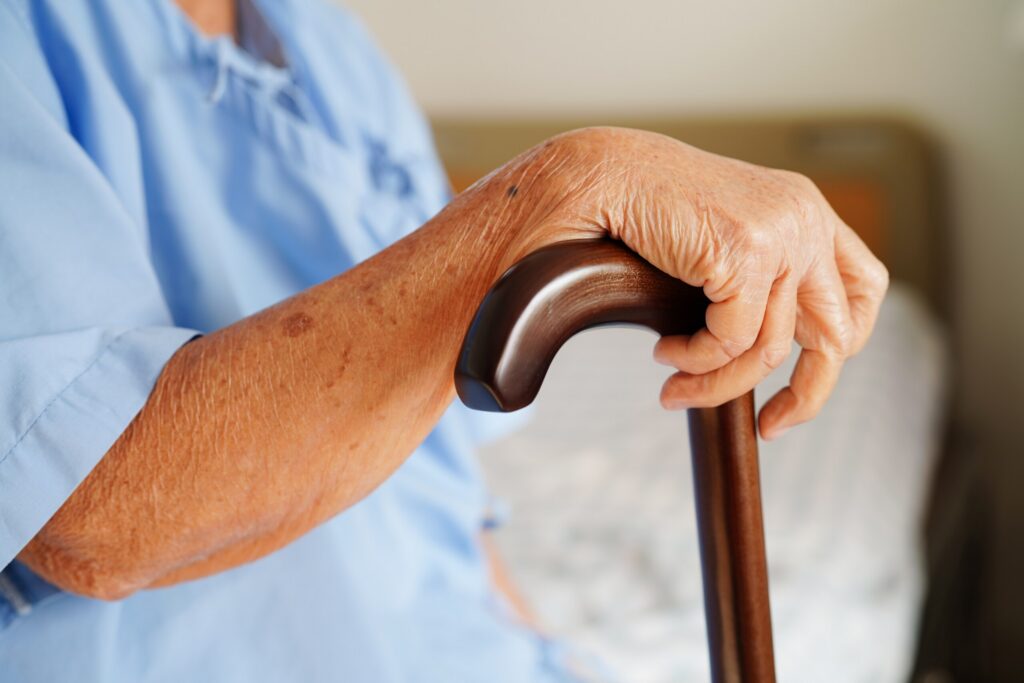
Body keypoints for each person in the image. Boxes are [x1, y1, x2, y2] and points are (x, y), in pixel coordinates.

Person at [0, 0, 888, 681]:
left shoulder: (327, 48)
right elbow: (92, 516)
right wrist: (564, 187)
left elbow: (439, 478)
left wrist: (529, 646)